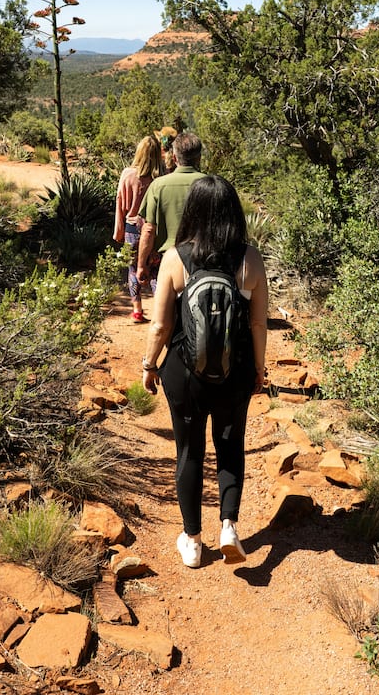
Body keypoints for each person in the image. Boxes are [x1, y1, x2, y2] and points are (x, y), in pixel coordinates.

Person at [141, 175, 268, 569]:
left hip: (185, 374)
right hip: (235, 372)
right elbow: (258, 324)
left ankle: (193, 541)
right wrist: (259, 370)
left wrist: (149, 365)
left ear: (192, 211)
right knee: (230, 446)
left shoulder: (176, 258)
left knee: (189, 450)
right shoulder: (250, 259)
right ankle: (228, 526)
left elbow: (160, 326)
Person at [136, 132, 206, 291]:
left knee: (163, 305)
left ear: (174, 158)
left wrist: (141, 265)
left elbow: (148, 230)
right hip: (201, 262)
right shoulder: (211, 185)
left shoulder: (158, 186)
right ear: (199, 158)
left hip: (167, 261)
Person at [113, 135, 164, 323]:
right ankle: (160, 311)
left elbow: (120, 203)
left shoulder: (128, 174)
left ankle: (137, 310)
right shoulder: (162, 177)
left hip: (132, 230)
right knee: (156, 271)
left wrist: (118, 232)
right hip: (155, 231)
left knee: (133, 268)